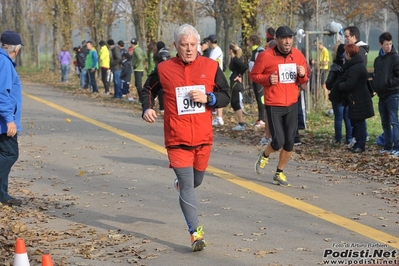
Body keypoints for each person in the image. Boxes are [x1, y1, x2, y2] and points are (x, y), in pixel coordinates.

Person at [141, 24, 230, 252]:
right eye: (184, 45)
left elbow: (226, 95)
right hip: (176, 138)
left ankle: (181, 184)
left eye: (193, 45)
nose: (189, 49)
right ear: (175, 46)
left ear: (199, 45)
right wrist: (146, 108)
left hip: (203, 138)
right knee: (189, 187)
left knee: (195, 181)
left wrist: (209, 98)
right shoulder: (164, 69)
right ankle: (195, 233)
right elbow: (147, 89)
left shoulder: (211, 66)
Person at [250, 25, 308, 187]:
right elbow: (254, 75)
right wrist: (268, 80)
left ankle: (279, 172)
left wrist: (303, 75)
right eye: (283, 38)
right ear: (276, 40)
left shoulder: (297, 55)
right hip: (274, 104)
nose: (287, 41)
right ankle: (265, 155)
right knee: (278, 141)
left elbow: (303, 80)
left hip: (291, 104)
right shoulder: (265, 56)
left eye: (290, 38)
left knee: (290, 142)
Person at [334, 44, 374, 153]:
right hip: (356, 99)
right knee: (356, 123)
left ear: (348, 54)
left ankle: (360, 145)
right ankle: (357, 143)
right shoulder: (356, 65)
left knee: (359, 123)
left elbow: (349, 84)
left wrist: (339, 85)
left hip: (359, 100)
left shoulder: (355, 67)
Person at [0, 30, 24, 206]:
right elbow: (2, 93)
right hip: (3, 121)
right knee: (10, 154)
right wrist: (10, 119)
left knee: (3, 154)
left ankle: (2, 195)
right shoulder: (4, 62)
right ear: (15, 49)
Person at [372, 32, 399, 157]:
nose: (388, 47)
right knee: (385, 122)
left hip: (392, 94)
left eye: (390, 44)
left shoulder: (395, 58)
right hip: (381, 95)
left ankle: (397, 147)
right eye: (386, 44)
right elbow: (377, 75)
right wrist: (376, 86)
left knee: (394, 121)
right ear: (380, 44)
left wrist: (388, 83)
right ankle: (387, 146)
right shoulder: (378, 60)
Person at [326, 42, 352, 145]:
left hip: (337, 95)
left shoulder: (335, 66)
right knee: (348, 118)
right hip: (348, 94)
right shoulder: (350, 65)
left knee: (338, 118)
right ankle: (349, 138)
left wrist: (332, 87)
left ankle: (338, 139)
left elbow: (328, 83)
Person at [228, 43, 248, 131]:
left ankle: (241, 123)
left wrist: (239, 75)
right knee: (234, 102)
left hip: (236, 83)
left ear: (231, 50)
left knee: (235, 102)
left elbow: (245, 67)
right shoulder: (233, 59)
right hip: (233, 82)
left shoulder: (236, 59)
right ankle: (240, 123)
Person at [248, 34, 266, 128]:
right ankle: (260, 118)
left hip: (259, 79)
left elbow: (262, 64)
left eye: (249, 41)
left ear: (252, 41)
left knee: (261, 99)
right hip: (255, 79)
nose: (247, 43)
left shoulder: (260, 51)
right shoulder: (254, 51)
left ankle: (262, 119)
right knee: (258, 99)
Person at [207, 34, 225, 126]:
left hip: (216, 75)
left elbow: (209, 63)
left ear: (210, 42)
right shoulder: (218, 49)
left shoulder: (215, 51)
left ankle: (219, 118)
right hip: (217, 74)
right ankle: (218, 117)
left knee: (217, 95)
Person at [313, 40, 330, 106]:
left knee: (323, 85)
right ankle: (316, 101)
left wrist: (317, 63)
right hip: (318, 69)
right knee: (317, 85)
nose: (314, 47)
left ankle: (325, 101)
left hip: (323, 69)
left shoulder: (325, 50)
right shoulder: (319, 51)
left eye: (315, 45)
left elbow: (326, 62)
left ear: (319, 44)